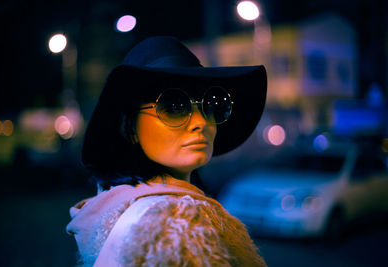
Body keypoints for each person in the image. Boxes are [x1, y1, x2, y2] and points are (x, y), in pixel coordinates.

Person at [66, 36, 267, 266]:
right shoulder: (175, 226)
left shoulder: (114, 209)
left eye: (211, 105)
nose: (201, 122)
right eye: (173, 106)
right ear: (130, 127)